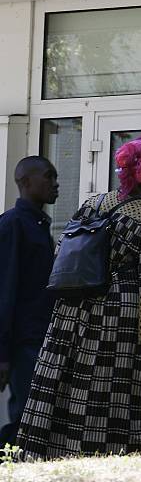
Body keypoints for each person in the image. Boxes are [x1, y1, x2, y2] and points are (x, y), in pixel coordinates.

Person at [17, 134, 141, 458]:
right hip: (118, 322)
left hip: (71, 315)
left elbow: (63, 254)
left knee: (68, 390)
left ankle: (53, 455)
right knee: (114, 395)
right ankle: (112, 456)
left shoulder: (93, 203)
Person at [0, 156, 59, 447]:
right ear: (25, 182)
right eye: (48, 176)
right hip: (23, 343)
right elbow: (4, 289)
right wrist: (3, 354)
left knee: (40, 417)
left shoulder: (39, 225)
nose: (55, 183)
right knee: (26, 419)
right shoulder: (13, 224)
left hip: (41, 338)